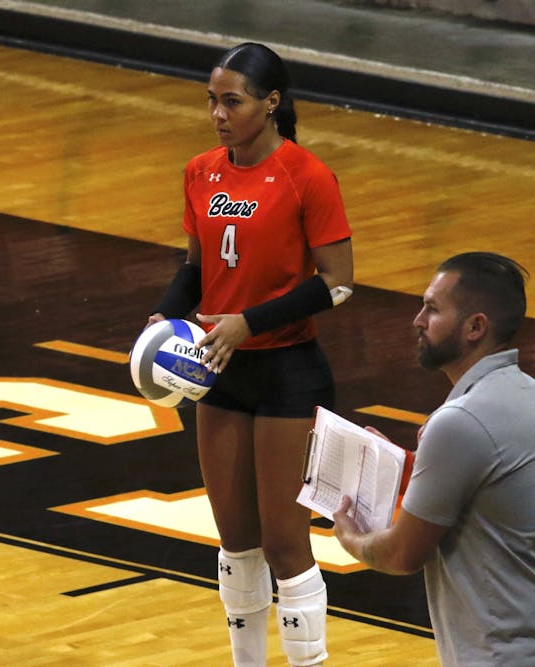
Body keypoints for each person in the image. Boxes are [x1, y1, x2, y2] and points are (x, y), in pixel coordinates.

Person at [147, 42, 354, 667]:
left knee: (285, 544)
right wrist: (167, 313)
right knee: (236, 542)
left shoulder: (307, 176)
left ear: (271, 103)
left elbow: (338, 283)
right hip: (218, 369)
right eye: (211, 100)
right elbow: (196, 265)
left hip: (288, 373)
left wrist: (249, 323)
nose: (217, 113)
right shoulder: (200, 171)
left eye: (231, 101)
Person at [333, 252, 535, 666]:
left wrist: (349, 536)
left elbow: (401, 554)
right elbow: (494, 495)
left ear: (475, 327)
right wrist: (410, 468)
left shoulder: (461, 421)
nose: (417, 320)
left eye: (432, 308)